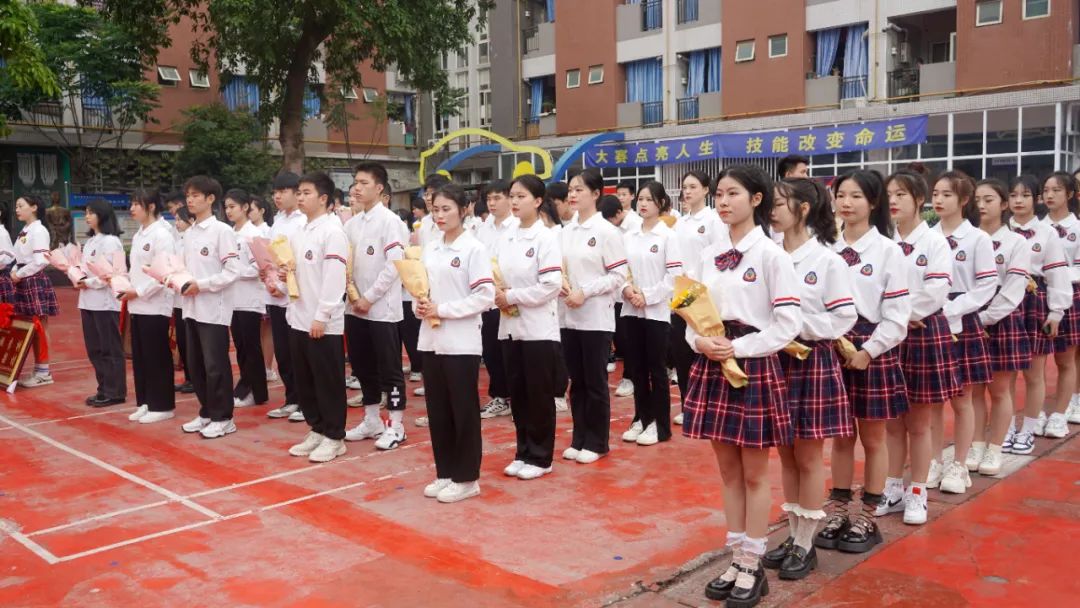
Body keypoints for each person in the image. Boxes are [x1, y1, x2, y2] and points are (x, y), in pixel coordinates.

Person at [688, 165, 800, 605]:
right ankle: (736, 557)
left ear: (756, 199)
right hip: (714, 363)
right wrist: (699, 342)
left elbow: (787, 324)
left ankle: (753, 563)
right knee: (728, 472)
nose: (723, 201)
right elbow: (693, 314)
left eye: (732, 193)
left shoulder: (773, 256)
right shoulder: (709, 255)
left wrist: (738, 349)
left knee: (754, 473)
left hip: (751, 367)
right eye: (719, 194)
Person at [762, 177, 856, 578]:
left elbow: (844, 316)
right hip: (775, 357)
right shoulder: (768, 255)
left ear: (803, 209)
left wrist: (797, 325)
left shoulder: (827, 261)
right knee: (785, 452)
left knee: (809, 454)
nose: (771, 211)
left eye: (779, 203)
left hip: (810, 358)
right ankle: (792, 533)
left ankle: (806, 541)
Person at [818, 170, 910, 554]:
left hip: (872, 349)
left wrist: (869, 351)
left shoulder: (889, 251)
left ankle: (868, 516)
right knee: (840, 436)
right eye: (841, 195)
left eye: (856, 196)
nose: (846, 202)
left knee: (873, 438)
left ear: (873, 203)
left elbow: (898, 316)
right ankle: (839, 510)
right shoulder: (824, 248)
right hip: (830, 344)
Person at [880, 169, 957, 524]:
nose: (893, 201)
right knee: (892, 421)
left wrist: (901, 314)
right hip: (889, 334)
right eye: (889, 195)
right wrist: (894, 318)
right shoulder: (883, 242)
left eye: (901, 195)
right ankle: (893, 487)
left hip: (922, 331)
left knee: (919, 422)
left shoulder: (935, 242)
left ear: (919, 200)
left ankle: (918, 492)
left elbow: (935, 291)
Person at [417, 183, 495, 503]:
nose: (440, 215)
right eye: (435, 209)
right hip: (431, 338)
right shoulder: (431, 247)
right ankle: (445, 471)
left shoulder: (473, 249)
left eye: (446, 209)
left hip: (461, 341)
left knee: (463, 411)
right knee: (438, 411)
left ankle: (467, 478)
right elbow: (423, 288)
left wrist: (443, 310)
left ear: (463, 210)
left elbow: (485, 296)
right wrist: (421, 305)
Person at [930, 171, 998, 494]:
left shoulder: (977, 239)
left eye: (947, 194)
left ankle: (959, 463)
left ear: (964, 199)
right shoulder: (927, 237)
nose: (939, 200)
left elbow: (987, 284)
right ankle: (932, 460)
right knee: (929, 400)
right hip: (930, 319)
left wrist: (953, 309)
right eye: (935, 193)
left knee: (962, 398)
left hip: (962, 317)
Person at [496, 175, 563, 480]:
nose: (514, 201)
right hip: (510, 326)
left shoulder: (545, 238)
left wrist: (511, 296)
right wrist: (498, 293)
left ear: (537, 201)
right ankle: (522, 451)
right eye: (512, 195)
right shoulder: (507, 235)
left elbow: (550, 285)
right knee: (519, 393)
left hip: (538, 330)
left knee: (538, 395)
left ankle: (541, 456)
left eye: (521, 196)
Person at [560, 170, 629, 465]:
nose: (573, 195)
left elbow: (618, 275)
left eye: (579, 189)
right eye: (570, 190)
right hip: (568, 316)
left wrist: (585, 291)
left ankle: (597, 442)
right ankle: (579, 438)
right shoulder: (565, 231)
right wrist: (562, 285)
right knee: (576, 381)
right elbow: (559, 268)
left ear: (596, 193)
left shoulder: (607, 232)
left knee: (595, 381)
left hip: (595, 318)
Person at [342, 162, 411, 450]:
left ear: (379, 188)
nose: (357, 188)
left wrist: (369, 297)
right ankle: (371, 419)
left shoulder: (390, 221)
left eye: (364, 183)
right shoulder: (351, 224)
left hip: (382, 310)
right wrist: (353, 296)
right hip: (354, 307)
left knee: (389, 369)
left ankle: (396, 424)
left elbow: (395, 265)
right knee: (362, 366)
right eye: (355, 182)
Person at [283, 172, 351, 463]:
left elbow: (335, 278)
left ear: (323, 198)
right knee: (306, 379)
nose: (300, 197)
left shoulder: (332, 232)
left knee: (327, 380)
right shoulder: (300, 231)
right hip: (299, 316)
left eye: (306, 193)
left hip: (322, 321)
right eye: (298, 192)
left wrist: (322, 315)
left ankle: (335, 436)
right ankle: (317, 428)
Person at [971, 178, 1031, 475]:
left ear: (1004, 204)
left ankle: (995, 448)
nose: (981, 205)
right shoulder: (968, 239)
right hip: (969, 314)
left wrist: (984, 318)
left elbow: (1013, 289)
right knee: (972, 391)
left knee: (999, 389)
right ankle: (976, 444)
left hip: (1001, 318)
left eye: (989, 200)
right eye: (977, 200)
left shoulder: (1016, 242)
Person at [1008, 174, 1070, 455]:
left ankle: (1028, 430)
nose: (1018, 201)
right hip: (1005, 303)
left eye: (1024, 195)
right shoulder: (1000, 231)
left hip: (1035, 302)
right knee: (1005, 374)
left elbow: (1057, 274)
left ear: (1036, 199)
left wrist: (1056, 312)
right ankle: (1007, 427)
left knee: (1034, 372)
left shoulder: (1047, 233)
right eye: (1013, 195)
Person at [177, 175, 243, 439]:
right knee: (195, 365)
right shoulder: (189, 233)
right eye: (188, 196)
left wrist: (201, 285)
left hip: (213, 309)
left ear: (210, 199)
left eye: (195, 195)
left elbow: (232, 271)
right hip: (191, 307)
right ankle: (206, 411)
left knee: (215, 365)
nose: (190, 200)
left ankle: (223, 417)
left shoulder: (222, 231)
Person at [619, 181, 681, 446]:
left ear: (661, 203)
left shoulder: (667, 236)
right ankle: (641, 418)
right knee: (637, 368)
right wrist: (627, 289)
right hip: (631, 309)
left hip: (656, 312)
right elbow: (619, 270)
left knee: (656, 368)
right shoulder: (629, 235)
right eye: (641, 199)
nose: (643, 204)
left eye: (649, 200)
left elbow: (674, 276)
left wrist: (647, 295)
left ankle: (660, 424)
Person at [672, 171, 727, 425]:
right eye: (684, 187)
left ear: (706, 190)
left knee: (702, 350)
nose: (687, 191)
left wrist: (697, 281)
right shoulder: (680, 222)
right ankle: (688, 405)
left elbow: (719, 256)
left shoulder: (713, 220)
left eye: (693, 186)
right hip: (681, 292)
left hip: (702, 293)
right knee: (681, 350)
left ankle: (709, 405)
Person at [123, 189, 177, 424]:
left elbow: (163, 273)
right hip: (137, 304)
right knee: (141, 357)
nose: (132, 209)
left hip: (155, 304)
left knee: (157, 356)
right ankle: (145, 402)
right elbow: (136, 270)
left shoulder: (162, 235)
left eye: (137, 204)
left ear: (152, 206)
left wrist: (139, 291)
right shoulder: (139, 234)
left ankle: (163, 405)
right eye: (132, 204)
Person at [1039, 171, 1080, 438]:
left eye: (1056, 190)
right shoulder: (1035, 228)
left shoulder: (1077, 228)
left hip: (1071, 295)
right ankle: (1038, 412)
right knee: (1036, 362)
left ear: (1070, 194)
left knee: (1066, 358)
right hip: (1039, 296)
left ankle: (1059, 413)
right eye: (1046, 190)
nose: (1050, 195)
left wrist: (1060, 275)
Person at [265, 172, 308, 422]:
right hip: (277, 294)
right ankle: (291, 398)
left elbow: (301, 260)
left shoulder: (303, 220)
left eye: (282, 192)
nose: (277, 197)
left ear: (296, 192)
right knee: (282, 352)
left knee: (298, 352)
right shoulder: (278, 221)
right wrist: (269, 278)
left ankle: (305, 401)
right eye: (275, 192)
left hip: (296, 294)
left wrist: (283, 284)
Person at [75, 199, 127, 407]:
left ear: (103, 215)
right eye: (86, 212)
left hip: (105, 303)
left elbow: (115, 272)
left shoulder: (112, 241)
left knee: (109, 348)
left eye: (91, 213)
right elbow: (85, 269)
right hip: (87, 301)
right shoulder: (90, 242)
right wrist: (76, 275)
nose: (87, 216)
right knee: (95, 349)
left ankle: (115, 391)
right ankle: (103, 388)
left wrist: (88, 282)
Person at [475, 179, 518, 419]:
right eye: (488, 199)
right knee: (491, 349)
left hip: (510, 296)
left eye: (497, 198)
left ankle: (517, 398)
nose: (491, 203)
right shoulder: (484, 227)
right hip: (487, 299)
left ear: (509, 199)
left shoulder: (517, 225)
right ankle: (500, 396)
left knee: (512, 351)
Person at [223, 189, 268, 409]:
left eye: (232, 206)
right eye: (226, 207)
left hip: (250, 299)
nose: (229, 211)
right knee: (240, 346)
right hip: (233, 299)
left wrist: (234, 273)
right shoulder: (229, 234)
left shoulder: (253, 234)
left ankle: (256, 391)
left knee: (251, 347)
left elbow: (258, 267)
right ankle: (244, 386)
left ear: (245, 207)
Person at [11, 194, 59, 387]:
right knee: (30, 327)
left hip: (33, 280)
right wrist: (14, 271)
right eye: (16, 206)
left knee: (39, 326)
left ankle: (43, 372)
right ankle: (39, 369)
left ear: (34, 207)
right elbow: (19, 258)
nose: (17, 209)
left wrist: (19, 273)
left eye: (20, 205)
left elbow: (41, 261)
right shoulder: (25, 230)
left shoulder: (39, 231)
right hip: (23, 280)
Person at [611, 181, 642, 398]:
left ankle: (631, 377)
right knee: (622, 338)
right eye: (618, 194)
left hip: (635, 291)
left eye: (625, 194)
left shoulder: (635, 225)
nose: (621, 197)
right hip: (618, 289)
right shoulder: (611, 225)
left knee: (631, 339)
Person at [248, 195, 277, 382]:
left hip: (266, 286)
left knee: (266, 328)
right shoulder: (241, 231)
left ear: (262, 211)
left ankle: (267, 367)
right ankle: (256, 367)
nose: (248, 213)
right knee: (253, 330)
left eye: (251, 209)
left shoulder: (267, 231)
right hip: (249, 288)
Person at [172, 205, 194, 394]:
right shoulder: (178, 241)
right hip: (178, 298)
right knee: (182, 340)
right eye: (176, 220)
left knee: (191, 341)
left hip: (190, 294)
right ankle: (188, 377)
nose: (177, 223)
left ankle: (195, 378)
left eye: (180, 219)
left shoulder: (192, 241)